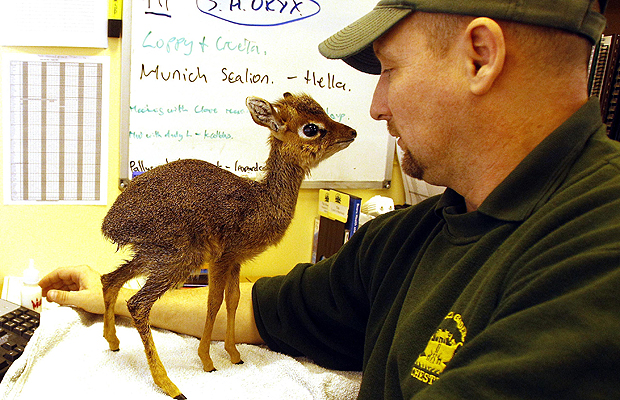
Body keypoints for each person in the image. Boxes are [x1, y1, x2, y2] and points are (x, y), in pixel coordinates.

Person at [40, 0, 620, 398]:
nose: (376, 107)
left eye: (389, 69)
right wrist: (107, 295)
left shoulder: (595, 252)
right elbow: (262, 311)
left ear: (479, 57)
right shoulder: (411, 238)